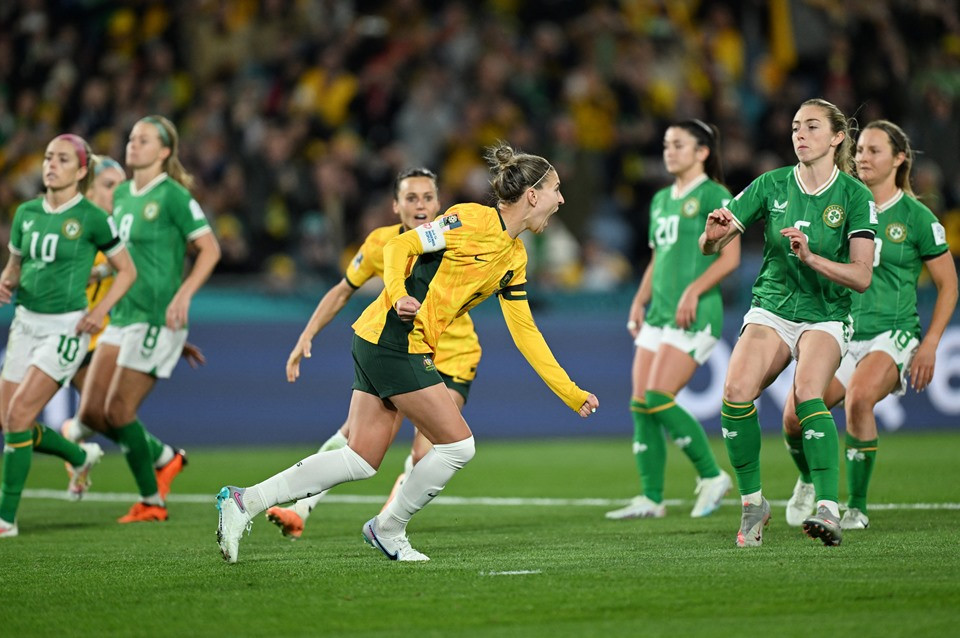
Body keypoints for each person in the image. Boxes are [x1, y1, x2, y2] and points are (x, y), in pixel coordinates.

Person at [216, 142, 599, 563]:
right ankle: (388, 528)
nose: (561, 200)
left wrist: (570, 392)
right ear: (533, 195)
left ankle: (244, 501)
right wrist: (399, 294)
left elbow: (525, 332)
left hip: (382, 340)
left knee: (360, 459)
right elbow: (399, 248)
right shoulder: (469, 219)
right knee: (458, 446)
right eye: (556, 189)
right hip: (396, 339)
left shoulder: (515, 258)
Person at [265, 167, 482, 540]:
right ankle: (299, 509)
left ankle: (387, 525)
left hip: (453, 356)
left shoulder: (455, 238)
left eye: (427, 197)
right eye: (411, 198)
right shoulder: (382, 243)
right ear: (395, 205)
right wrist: (307, 334)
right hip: (403, 353)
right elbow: (342, 290)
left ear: (439, 204)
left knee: (428, 451)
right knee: (355, 438)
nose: (420, 205)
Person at [699, 98, 877, 548]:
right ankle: (753, 504)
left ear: (837, 137)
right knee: (735, 391)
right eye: (796, 126)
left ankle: (828, 508)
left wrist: (812, 258)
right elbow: (712, 244)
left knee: (806, 394)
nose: (800, 134)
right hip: (772, 307)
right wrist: (711, 235)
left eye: (812, 126)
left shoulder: (855, 196)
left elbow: (861, 276)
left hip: (826, 313)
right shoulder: (771, 183)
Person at [781, 120, 957, 530]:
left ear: (899, 159)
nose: (862, 157)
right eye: (859, 150)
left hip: (891, 332)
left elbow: (949, 285)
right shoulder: (841, 203)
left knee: (859, 397)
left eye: (874, 150)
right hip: (841, 329)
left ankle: (856, 506)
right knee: (793, 418)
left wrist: (931, 343)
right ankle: (807, 479)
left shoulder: (916, 217)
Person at [0, 135, 137, 539]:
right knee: (12, 421)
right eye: (47, 158)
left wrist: (99, 311)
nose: (51, 165)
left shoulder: (92, 217)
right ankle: (79, 455)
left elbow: (126, 270)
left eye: (62, 159)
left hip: (65, 329)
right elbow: (14, 266)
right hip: (24, 324)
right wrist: (3, 284)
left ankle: (5, 519)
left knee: (18, 415)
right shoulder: (25, 213)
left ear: (80, 171)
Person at [86, 115, 220, 524]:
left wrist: (184, 294)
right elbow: (127, 256)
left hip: (155, 318)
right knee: (91, 413)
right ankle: (164, 457)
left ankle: (151, 502)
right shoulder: (123, 194)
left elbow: (210, 249)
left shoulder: (173, 195)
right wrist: (101, 272)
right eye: (131, 137)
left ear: (164, 151)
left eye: (144, 140)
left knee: (118, 411)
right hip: (122, 315)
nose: (133, 144)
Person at [607, 120, 738, 521]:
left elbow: (730, 258)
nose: (669, 151)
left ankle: (712, 476)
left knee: (658, 397)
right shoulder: (661, 199)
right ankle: (651, 498)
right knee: (640, 403)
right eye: (666, 145)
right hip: (659, 313)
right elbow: (658, 257)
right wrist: (639, 300)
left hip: (694, 313)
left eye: (679, 144)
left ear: (702, 152)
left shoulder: (715, 195)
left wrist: (694, 290)